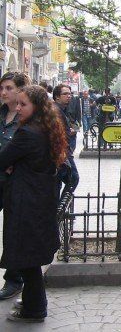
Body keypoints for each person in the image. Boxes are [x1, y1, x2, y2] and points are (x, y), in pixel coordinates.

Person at [0, 85, 68, 322]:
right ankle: (32, 303)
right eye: (17, 104)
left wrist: (11, 166)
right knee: (30, 257)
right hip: (39, 201)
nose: (17, 109)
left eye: (23, 104)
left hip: (26, 203)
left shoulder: (27, 133)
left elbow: (3, 159)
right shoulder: (46, 128)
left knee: (26, 257)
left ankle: (35, 308)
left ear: (36, 107)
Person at [0, 72, 31, 301]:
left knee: (12, 232)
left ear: (20, 89)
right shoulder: (1, 114)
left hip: (14, 183)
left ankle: (13, 280)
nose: (3, 92)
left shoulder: (26, 118)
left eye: (8, 88)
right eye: (1, 88)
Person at [53, 84, 80, 194]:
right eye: (65, 94)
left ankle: (58, 207)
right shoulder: (55, 111)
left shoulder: (62, 110)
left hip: (63, 151)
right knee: (73, 178)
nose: (69, 96)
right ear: (57, 97)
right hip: (61, 151)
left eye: (70, 94)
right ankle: (60, 207)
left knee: (59, 180)